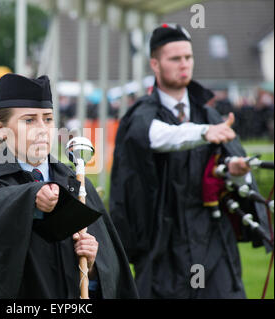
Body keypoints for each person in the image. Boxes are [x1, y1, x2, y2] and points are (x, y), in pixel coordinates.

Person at [109, 24, 271, 299]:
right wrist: (203, 133)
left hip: (213, 241)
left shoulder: (209, 115)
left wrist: (235, 173)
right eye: (175, 59)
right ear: (155, 64)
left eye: (188, 57)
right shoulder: (141, 116)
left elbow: (231, 174)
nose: (184, 65)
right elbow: (159, 136)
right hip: (163, 247)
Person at [0, 73, 138, 299]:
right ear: (0, 128)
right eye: (29, 120)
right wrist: (31, 197)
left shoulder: (76, 184)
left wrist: (93, 269)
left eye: (48, 119)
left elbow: (114, 278)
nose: (42, 129)